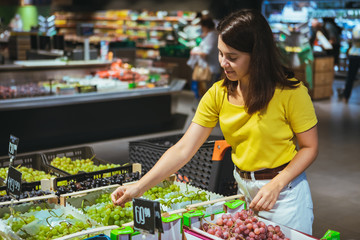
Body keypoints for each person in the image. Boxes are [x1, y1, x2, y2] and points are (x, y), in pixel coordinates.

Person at [111, 9, 318, 235]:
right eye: (220, 54)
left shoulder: (290, 93)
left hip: (285, 194)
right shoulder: (218, 94)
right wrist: (138, 187)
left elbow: (310, 147)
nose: (223, 63)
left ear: (257, 55)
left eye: (232, 57)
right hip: (244, 192)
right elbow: (182, 149)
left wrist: (277, 184)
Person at [187, 16, 221, 98]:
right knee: (205, 91)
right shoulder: (213, 34)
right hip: (211, 67)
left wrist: (195, 52)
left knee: (206, 92)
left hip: (209, 68)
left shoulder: (212, 36)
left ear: (205, 26)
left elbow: (206, 52)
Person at [338, 23, 360, 103]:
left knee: (350, 77)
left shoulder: (356, 27)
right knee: (350, 77)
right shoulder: (357, 28)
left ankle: (346, 97)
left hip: (353, 54)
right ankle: (346, 96)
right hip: (355, 55)